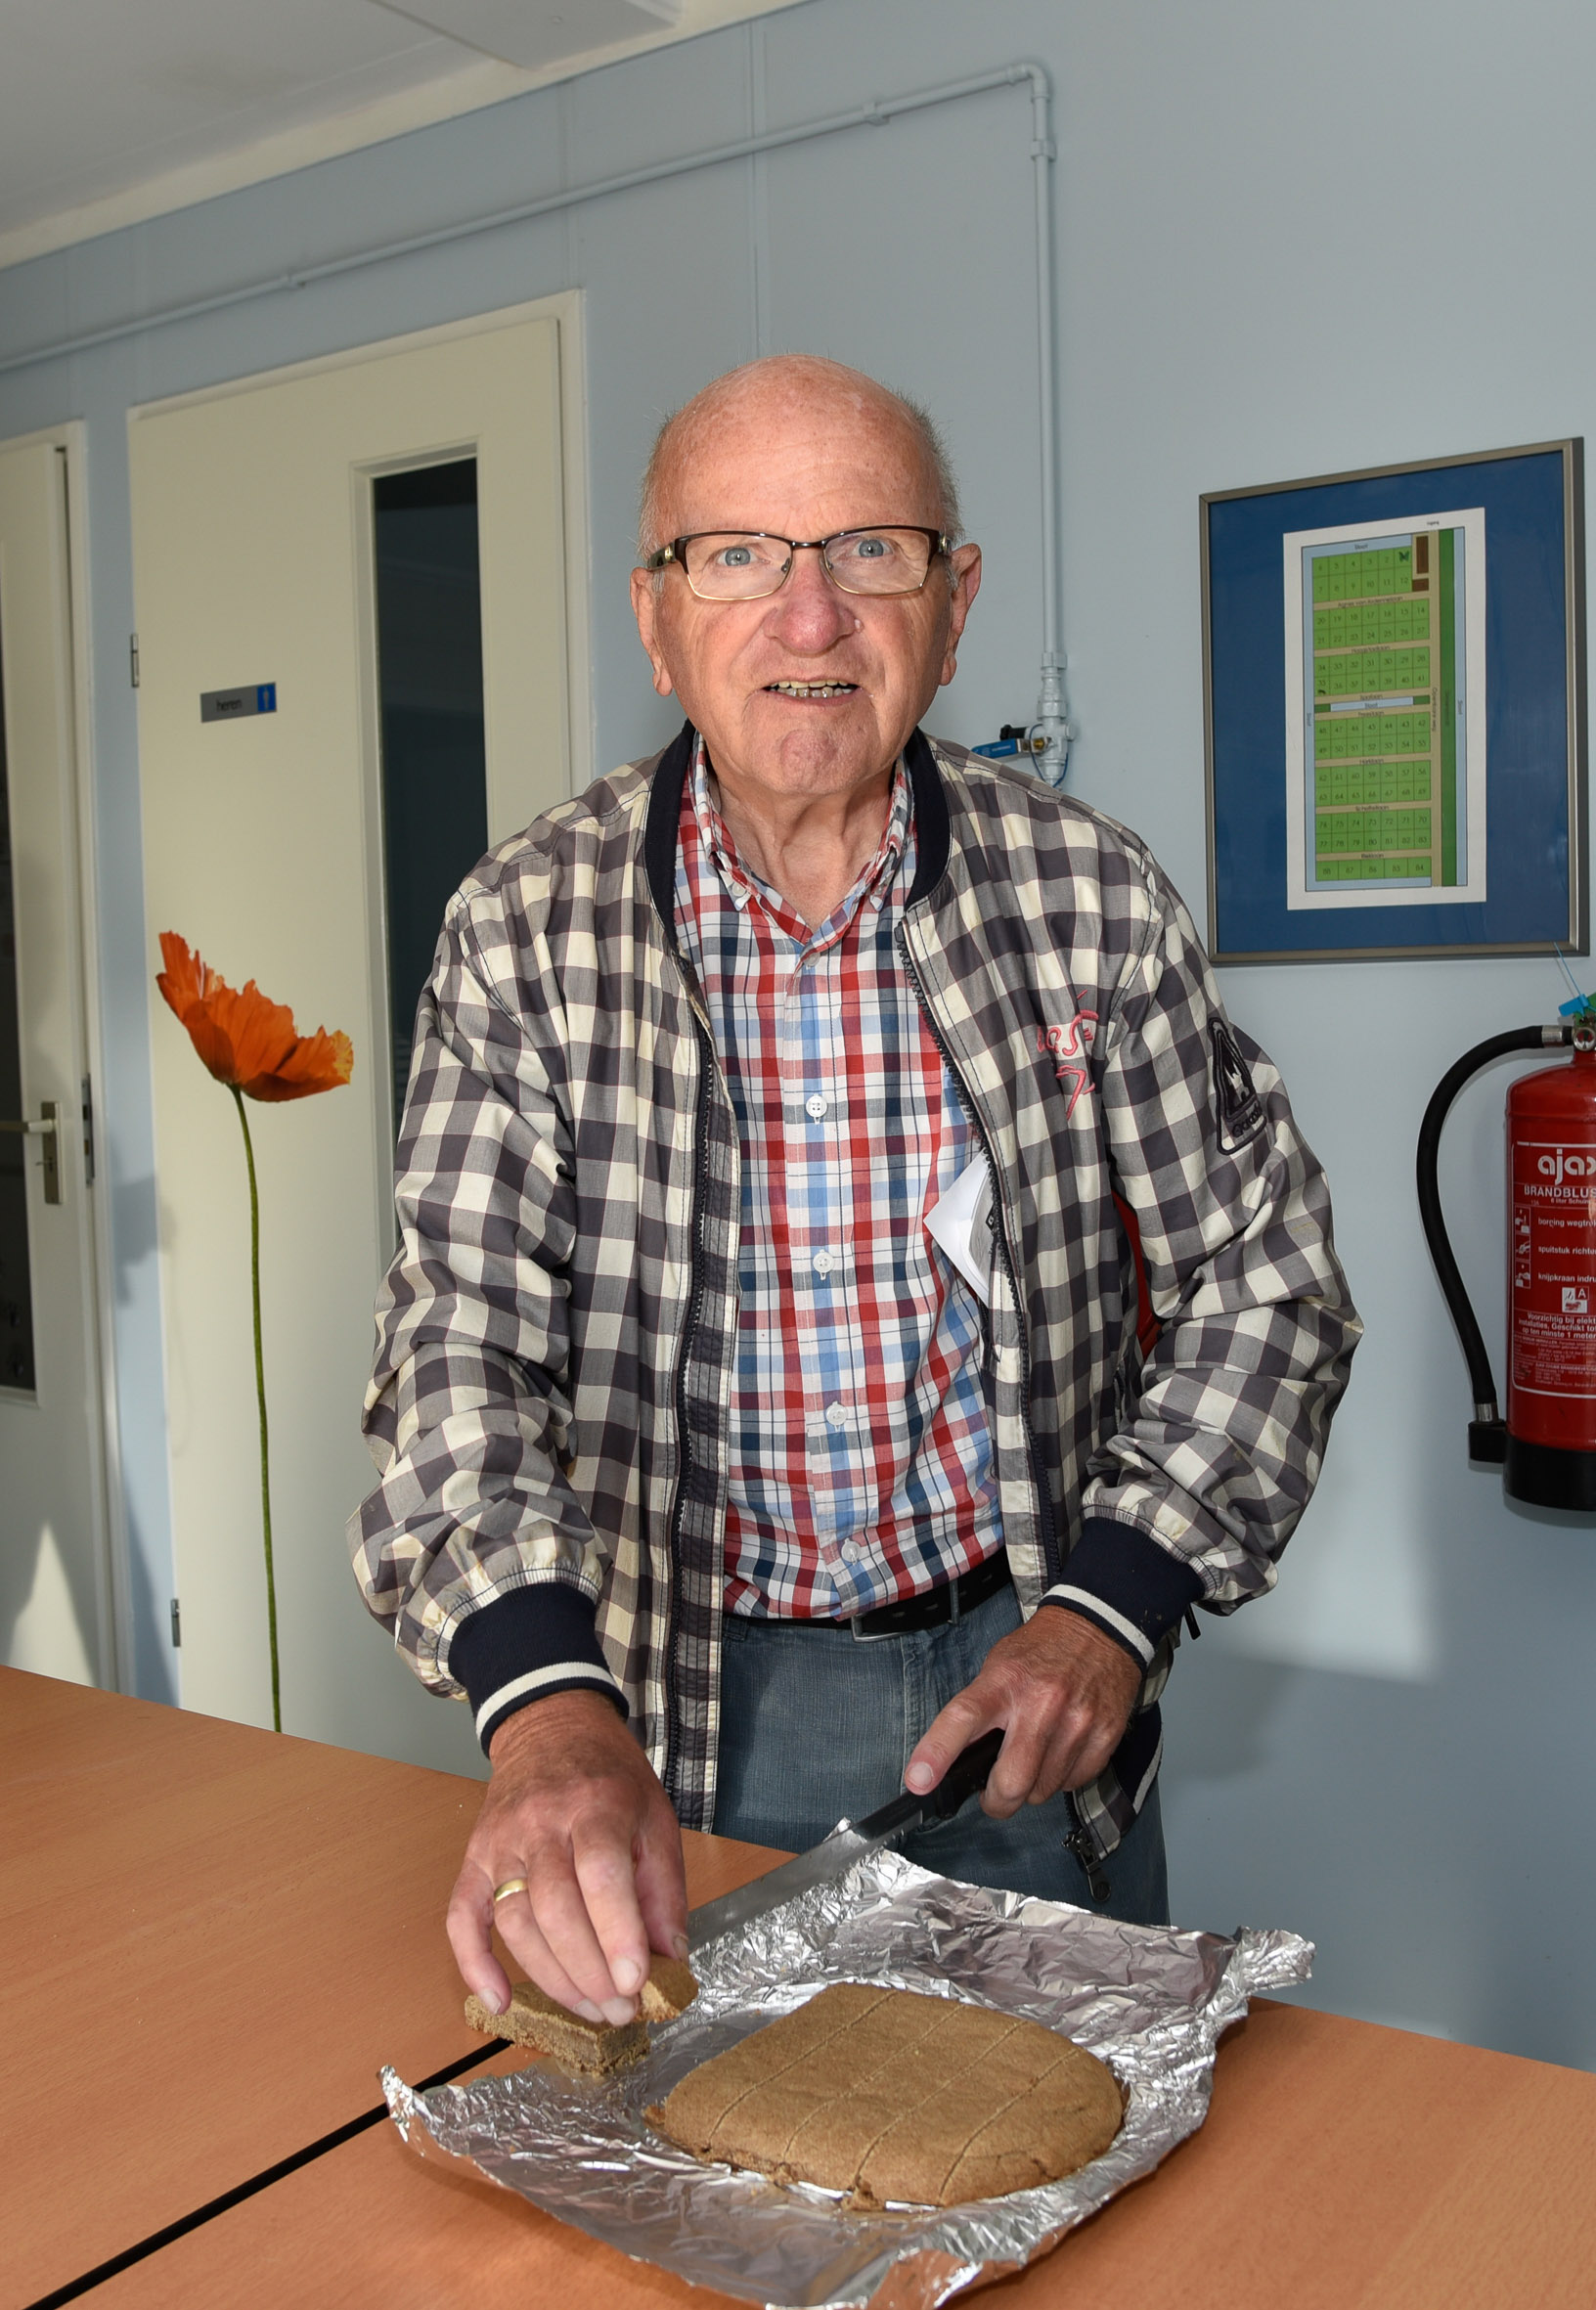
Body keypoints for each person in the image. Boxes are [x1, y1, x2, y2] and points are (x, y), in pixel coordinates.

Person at [350, 355, 1358, 2033]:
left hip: (1023, 1698)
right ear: (656, 617)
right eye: (738, 554)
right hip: (668, 1714)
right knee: (700, 2159)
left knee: (1071, 2156)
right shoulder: (523, 925)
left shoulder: (1091, 897)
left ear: (955, 606)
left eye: (872, 550)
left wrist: (1110, 1609)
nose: (809, 616)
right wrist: (542, 1705)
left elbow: (1268, 1279)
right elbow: (458, 1345)